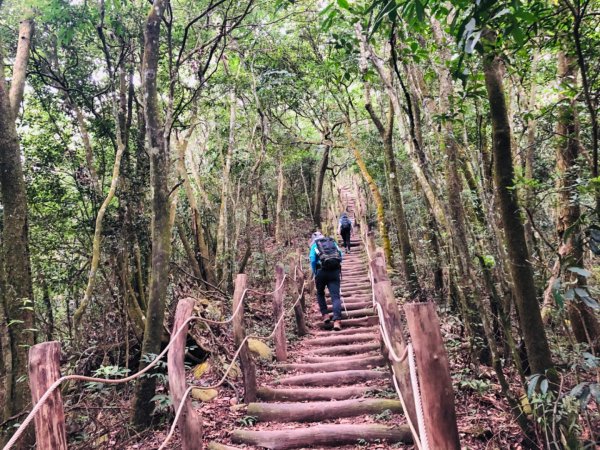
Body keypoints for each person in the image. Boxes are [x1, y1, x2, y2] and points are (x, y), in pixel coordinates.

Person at [309, 231, 343, 331]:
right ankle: (337, 321)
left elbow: (312, 259)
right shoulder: (332, 242)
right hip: (334, 271)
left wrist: (315, 272)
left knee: (320, 293)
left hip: (321, 271)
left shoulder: (315, 245)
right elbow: (340, 255)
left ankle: (325, 315)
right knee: (335, 296)